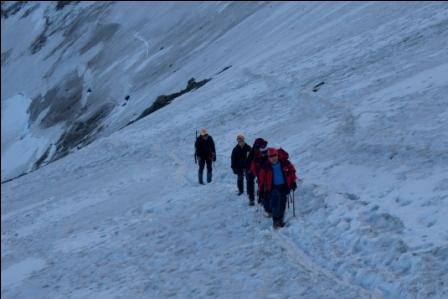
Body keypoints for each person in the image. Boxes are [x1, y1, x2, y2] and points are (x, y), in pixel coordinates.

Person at [259, 147, 297, 229]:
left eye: (274, 155)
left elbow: (292, 172)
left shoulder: (285, 163)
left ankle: (280, 219)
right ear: (268, 157)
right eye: (271, 156)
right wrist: (261, 190)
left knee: (282, 203)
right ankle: (276, 220)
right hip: (273, 187)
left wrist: (293, 182)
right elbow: (261, 179)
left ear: (277, 155)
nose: (273, 158)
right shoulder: (266, 166)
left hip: (284, 186)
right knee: (275, 203)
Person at [231, 134, 255, 205]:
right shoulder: (235, 149)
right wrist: (233, 167)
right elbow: (233, 159)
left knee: (249, 180)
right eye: (239, 140)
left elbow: (252, 158)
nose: (240, 142)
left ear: (244, 140)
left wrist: (252, 167)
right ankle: (240, 190)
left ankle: (249, 192)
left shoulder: (249, 148)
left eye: (241, 140)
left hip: (247, 167)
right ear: (237, 141)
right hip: (239, 167)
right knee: (240, 179)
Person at [249, 138, 269, 213]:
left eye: (264, 145)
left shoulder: (267, 152)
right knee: (262, 188)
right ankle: (265, 206)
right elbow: (251, 163)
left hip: (264, 174)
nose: (263, 146)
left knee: (264, 189)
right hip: (260, 174)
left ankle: (266, 205)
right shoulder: (255, 153)